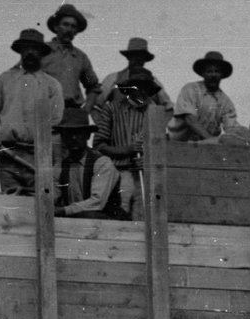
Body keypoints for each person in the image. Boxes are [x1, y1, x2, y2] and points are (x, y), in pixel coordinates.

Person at [0, 29, 64, 196]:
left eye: (35, 48)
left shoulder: (52, 85)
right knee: (11, 204)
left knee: (40, 203)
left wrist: (54, 162)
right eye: (26, 48)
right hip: (9, 155)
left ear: (41, 52)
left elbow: (56, 125)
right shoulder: (5, 79)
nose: (30, 52)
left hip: (39, 156)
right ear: (20, 50)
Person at [61, 72, 158, 219]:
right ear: (129, 89)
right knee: (122, 214)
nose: (142, 91)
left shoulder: (155, 113)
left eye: (146, 88)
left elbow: (162, 147)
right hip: (119, 172)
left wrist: (148, 160)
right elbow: (99, 145)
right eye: (138, 87)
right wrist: (127, 149)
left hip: (145, 175)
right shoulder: (112, 110)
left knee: (144, 216)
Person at [169, 51, 243, 143]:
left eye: (217, 71)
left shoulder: (225, 102)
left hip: (205, 145)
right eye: (209, 71)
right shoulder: (190, 89)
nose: (213, 75)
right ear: (203, 73)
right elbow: (190, 119)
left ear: (222, 75)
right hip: (179, 143)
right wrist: (211, 139)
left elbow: (231, 127)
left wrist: (243, 135)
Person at [42, 3, 99, 111]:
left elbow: (92, 85)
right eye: (65, 24)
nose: (69, 29)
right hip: (44, 111)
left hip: (72, 113)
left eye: (73, 26)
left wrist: (86, 109)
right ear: (56, 27)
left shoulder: (80, 58)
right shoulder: (42, 51)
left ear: (76, 32)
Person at [101, 37, 171, 110]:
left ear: (145, 59)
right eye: (135, 55)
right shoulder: (113, 78)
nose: (138, 59)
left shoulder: (154, 81)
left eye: (142, 56)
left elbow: (168, 106)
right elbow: (97, 105)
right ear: (128, 57)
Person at [52, 105, 98, 212]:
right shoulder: (60, 168)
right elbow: (52, 195)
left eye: (78, 133)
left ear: (87, 135)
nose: (73, 138)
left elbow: (96, 201)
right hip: (73, 220)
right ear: (62, 137)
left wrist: (64, 211)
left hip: (104, 220)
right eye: (69, 133)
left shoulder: (101, 163)